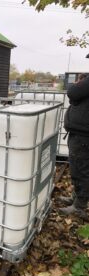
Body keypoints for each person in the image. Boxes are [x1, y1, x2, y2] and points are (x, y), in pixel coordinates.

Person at [59, 74, 89, 220]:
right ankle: (76, 199)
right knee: (77, 168)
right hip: (80, 134)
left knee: (81, 171)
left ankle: (79, 207)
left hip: (83, 137)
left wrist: (78, 84)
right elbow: (74, 98)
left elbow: (72, 93)